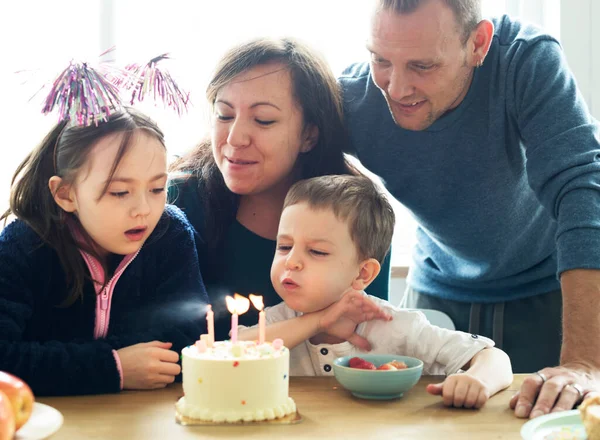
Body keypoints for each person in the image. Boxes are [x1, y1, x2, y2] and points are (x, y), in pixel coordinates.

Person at [338, 0, 600, 418]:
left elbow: (581, 188)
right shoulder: (354, 96)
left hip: (551, 290)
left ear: (478, 44)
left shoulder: (525, 59)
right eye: (381, 59)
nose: (397, 88)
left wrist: (586, 362)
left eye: (422, 67)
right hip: (437, 292)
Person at [169, 37, 391, 342]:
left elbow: (368, 338)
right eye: (224, 115)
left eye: (263, 120)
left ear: (309, 135)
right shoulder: (179, 200)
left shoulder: (357, 209)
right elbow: (170, 343)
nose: (235, 138)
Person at [239, 175, 513, 408]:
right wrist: (317, 321)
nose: (291, 261)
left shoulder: (396, 326)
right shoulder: (277, 323)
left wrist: (478, 380)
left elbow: (494, 358)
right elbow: (227, 356)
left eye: (317, 251)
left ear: (363, 274)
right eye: (284, 246)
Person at [0, 106, 209, 396]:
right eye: (120, 192)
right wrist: (112, 366)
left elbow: (194, 337)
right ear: (65, 194)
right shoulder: (23, 245)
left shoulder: (170, 234)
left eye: (158, 188)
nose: (144, 210)